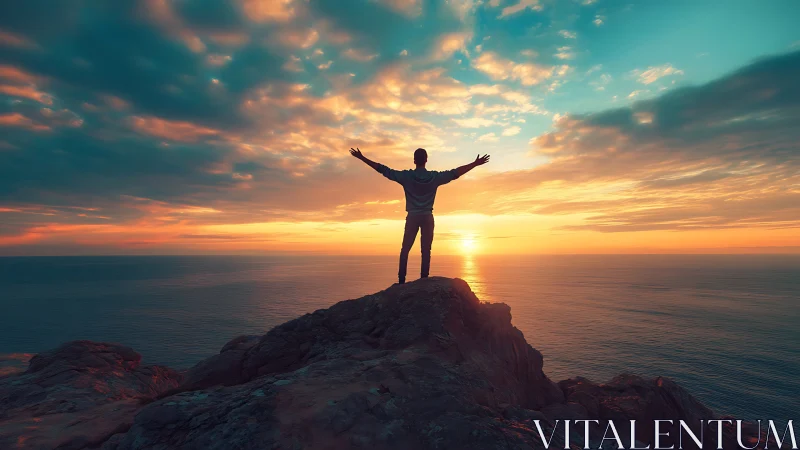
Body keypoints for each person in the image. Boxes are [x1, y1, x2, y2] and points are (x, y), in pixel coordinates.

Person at [350, 147, 490, 284]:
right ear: (426, 160)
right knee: (426, 250)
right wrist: (474, 164)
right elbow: (455, 173)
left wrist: (362, 158)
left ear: (414, 160)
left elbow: (383, 170)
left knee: (405, 249)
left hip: (412, 217)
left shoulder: (406, 176)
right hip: (427, 217)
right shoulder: (434, 177)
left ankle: (401, 280)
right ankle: (424, 280)